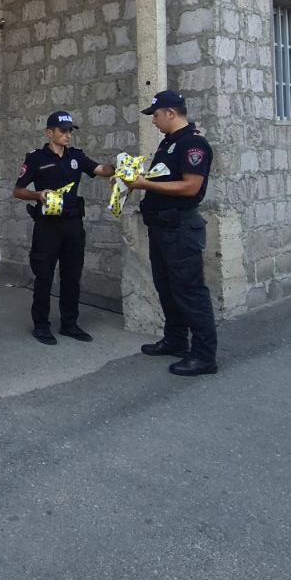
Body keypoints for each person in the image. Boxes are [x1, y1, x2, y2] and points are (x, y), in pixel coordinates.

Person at [124, 89, 219, 376]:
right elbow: (164, 180)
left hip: (180, 229)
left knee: (190, 291)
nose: (153, 121)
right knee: (167, 288)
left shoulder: (192, 144)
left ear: (170, 113)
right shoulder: (169, 143)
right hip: (162, 228)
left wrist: (144, 185)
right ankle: (176, 340)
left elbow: (191, 186)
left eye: (155, 115)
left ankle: (204, 356)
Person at [12, 110, 115, 344]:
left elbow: (100, 170)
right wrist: (38, 194)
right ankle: (41, 325)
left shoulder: (76, 156)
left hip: (72, 224)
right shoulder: (36, 159)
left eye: (70, 131)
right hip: (47, 226)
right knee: (44, 276)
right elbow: (18, 191)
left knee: (72, 276)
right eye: (63, 131)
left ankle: (70, 324)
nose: (68, 135)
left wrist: (120, 167)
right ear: (49, 133)